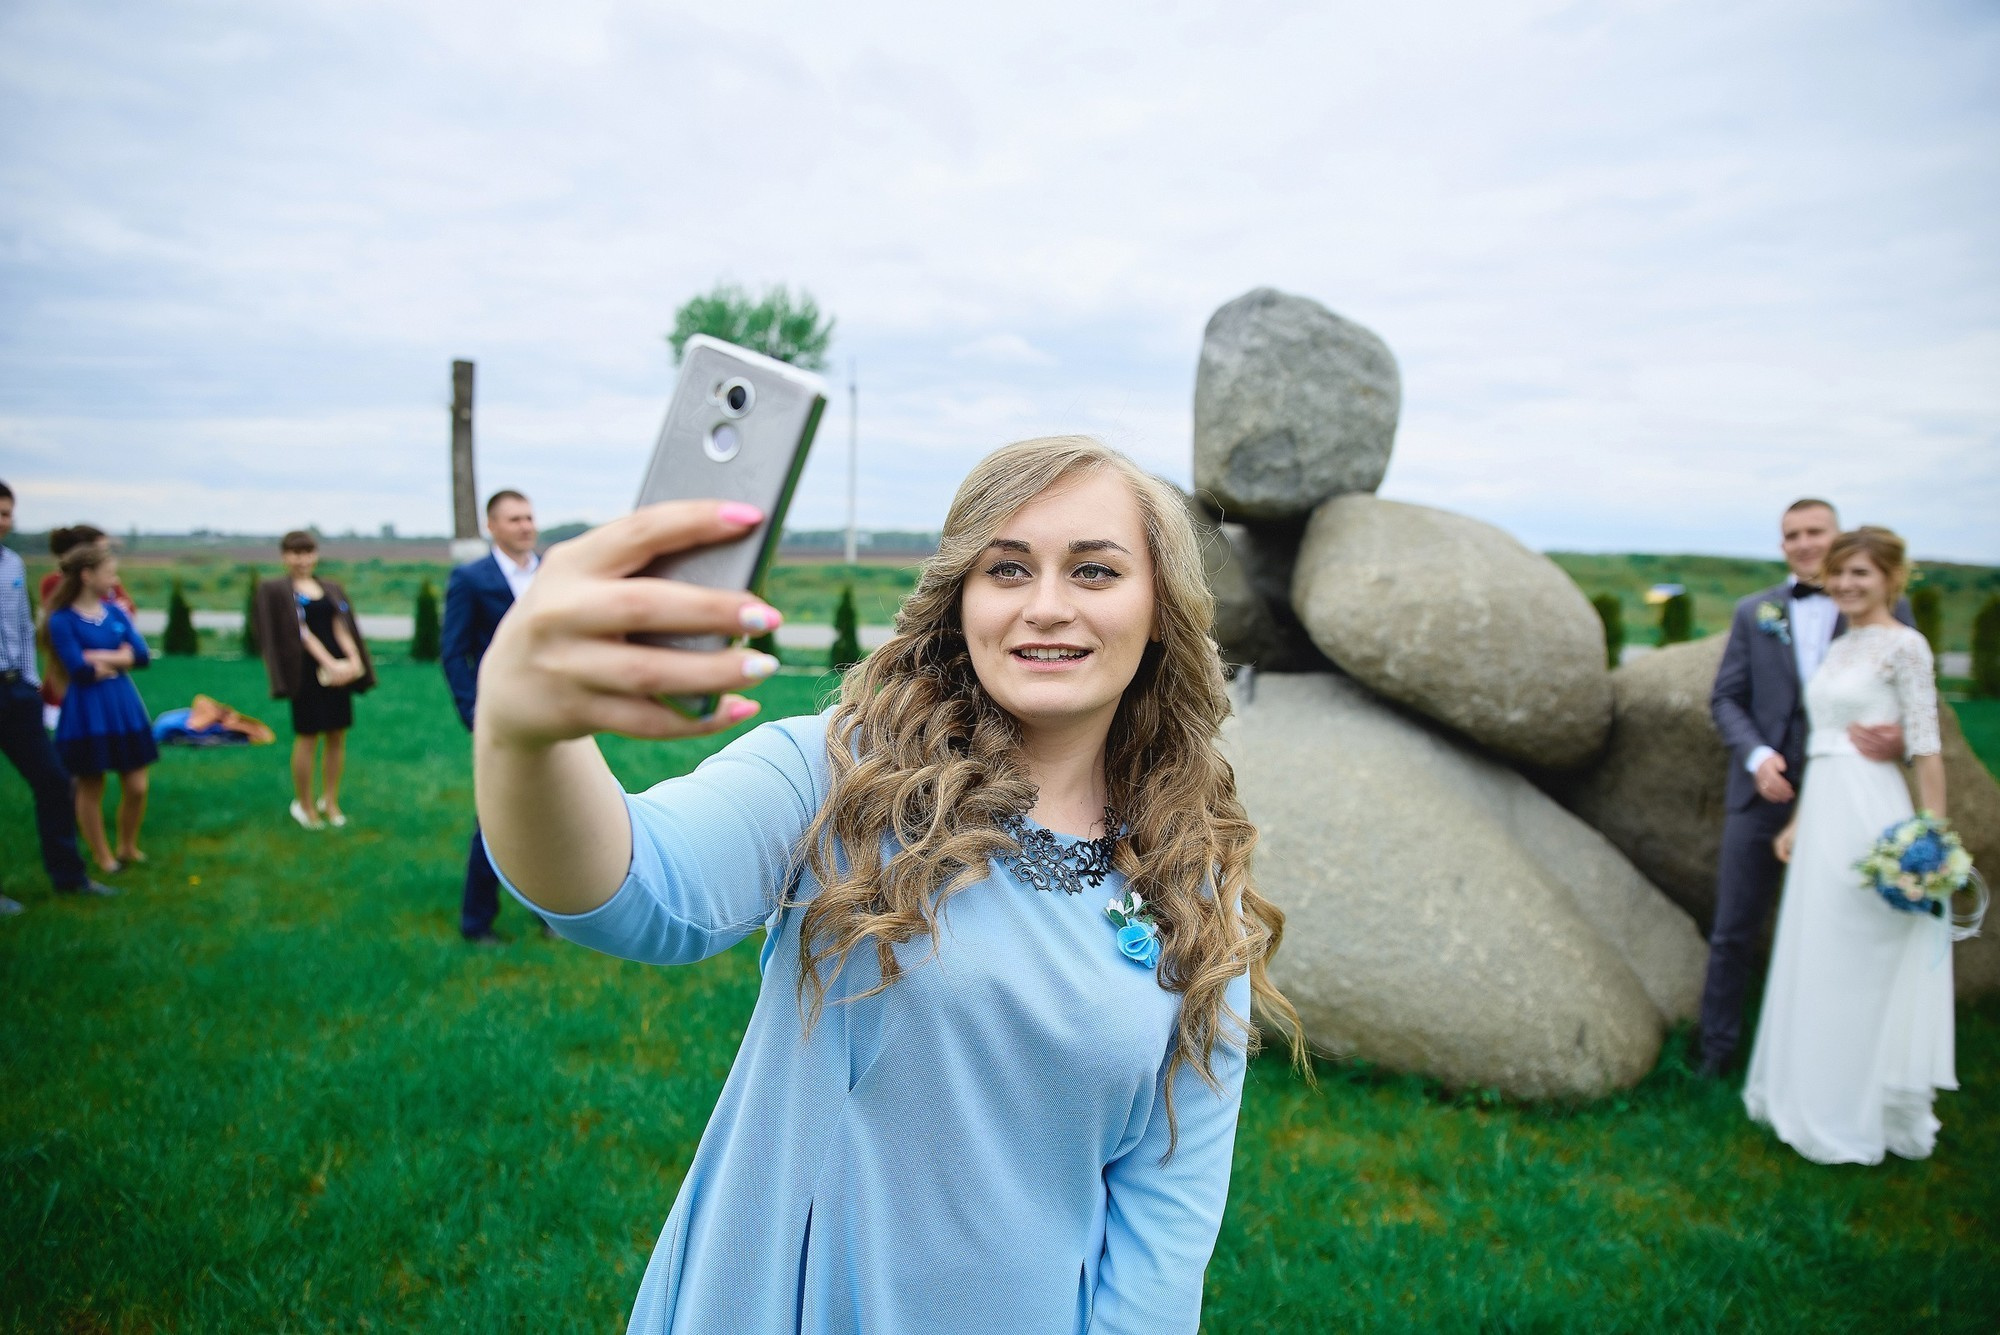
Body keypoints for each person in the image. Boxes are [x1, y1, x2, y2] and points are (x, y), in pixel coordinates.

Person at [475, 436, 1305, 1334]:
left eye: (1096, 572)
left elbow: (1165, 1221)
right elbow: (634, 891)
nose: (1048, 606)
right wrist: (525, 733)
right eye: (1008, 569)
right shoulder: (838, 775)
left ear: (1158, 611)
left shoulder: (1193, 874)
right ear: (961, 601)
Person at [1742, 527, 1954, 1162]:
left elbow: (1925, 744)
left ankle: (1864, 1106)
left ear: (1891, 578)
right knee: (1820, 951)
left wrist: (1930, 834)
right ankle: (1810, 1092)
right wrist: (1799, 823)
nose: (1844, 584)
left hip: (1872, 809)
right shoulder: (1840, 648)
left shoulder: (1906, 646)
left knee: (1868, 953)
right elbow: (1824, 741)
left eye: (1859, 573)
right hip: (1826, 807)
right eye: (1837, 574)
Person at [1700, 498, 1912, 1078]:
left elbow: (1914, 702)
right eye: (1792, 534)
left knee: (1845, 927)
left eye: (1815, 531)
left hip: (1850, 791)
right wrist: (1758, 757)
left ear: (1838, 536)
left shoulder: (1889, 609)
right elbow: (1726, 698)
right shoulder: (1754, 611)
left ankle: (1844, 1062)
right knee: (1733, 929)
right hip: (1763, 795)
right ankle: (1715, 1057)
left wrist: (1901, 743)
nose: (1804, 542)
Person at [0, 481, 115, 913]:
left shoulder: (11, 564)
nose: (4, 521)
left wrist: (28, 681)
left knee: (54, 780)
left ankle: (70, 878)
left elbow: (23, 627)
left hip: (15, 690)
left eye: (8, 513)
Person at [441, 489, 543, 945]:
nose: (525, 526)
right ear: (492, 526)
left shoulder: (550, 573)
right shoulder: (472, 578)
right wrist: (474, 713)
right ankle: (476, 921)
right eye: (514, 519)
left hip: (556, 714)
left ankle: (557, 912)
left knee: (561, 813)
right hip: (501, 719)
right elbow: (453, 652)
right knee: (497, 817)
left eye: (529, 517)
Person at [43, 542, 158, 874]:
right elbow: (78, 669)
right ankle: (103, 856)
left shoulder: (116, 611)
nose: (115, 578)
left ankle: (127, 846)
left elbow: (142, 656)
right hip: (87, 710)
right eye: (109, 573)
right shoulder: (61, 620)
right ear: (87, 575)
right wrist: (116, 657)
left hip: (123, 704)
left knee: (137, 785)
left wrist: (99, 656)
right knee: (91, 785)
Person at [254, 531, 375, 830]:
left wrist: (353, 660)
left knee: (337, 735)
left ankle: (330, 801)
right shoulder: (279, 591)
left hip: (338, 673)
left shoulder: (329, 587)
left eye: (308, 552)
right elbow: (301, 632)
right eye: (295, 553)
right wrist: (329, 664)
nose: (302, 559)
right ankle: (304, 804)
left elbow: (341, 625)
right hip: (306, 673)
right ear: (284, 556)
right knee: (308, 737)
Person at [38, 524, 137, 725]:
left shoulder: (109, 584)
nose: (105, 555)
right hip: (70, 676)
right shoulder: (54, 585)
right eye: (101, 549)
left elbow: (129, 613)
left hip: (106, 672)